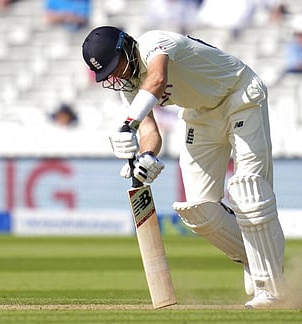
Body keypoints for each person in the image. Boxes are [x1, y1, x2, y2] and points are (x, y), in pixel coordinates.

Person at [82, 26, 286, 308]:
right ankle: (253, 258)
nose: (116, 76)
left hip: (239, 96)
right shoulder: (129, 88)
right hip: (200, 116)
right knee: (198, 210)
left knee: (247, 190)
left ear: (126, 46)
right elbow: (150, 134)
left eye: (115, 66)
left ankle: (271, 290)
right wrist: (146, 157)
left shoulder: (154, 43)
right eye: (109, 75)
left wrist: (127, 124)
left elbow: (157, 78)